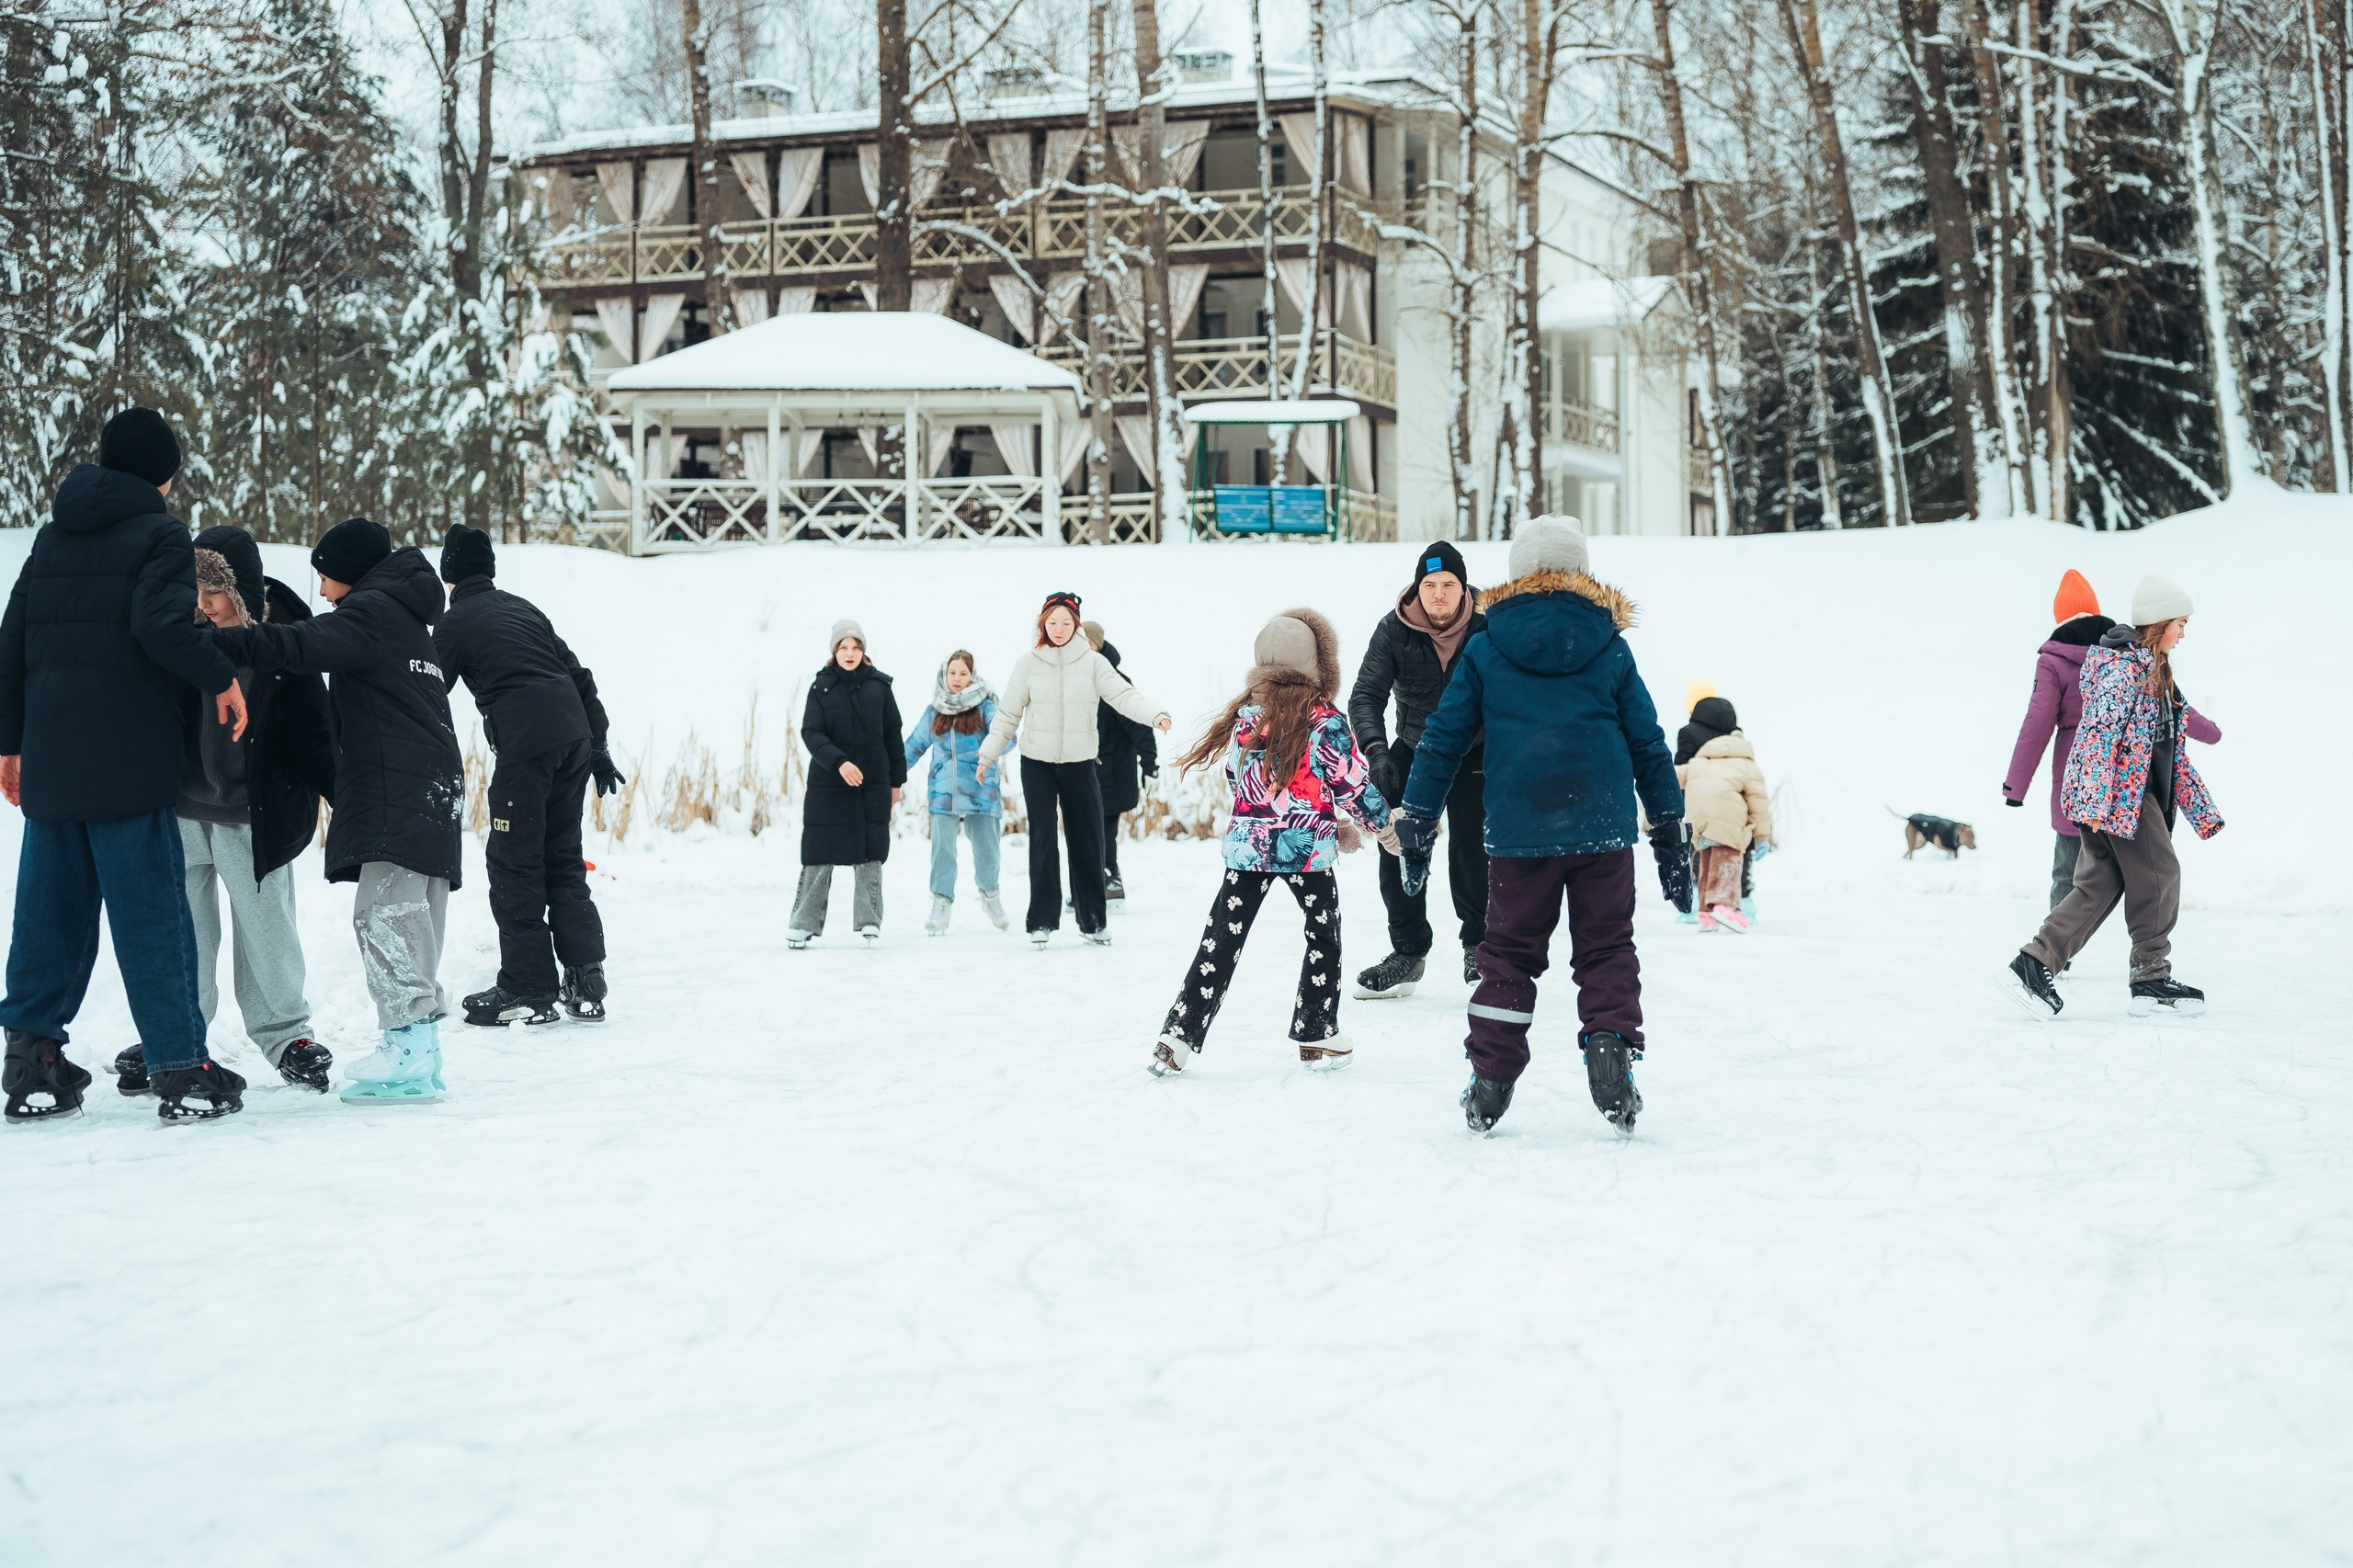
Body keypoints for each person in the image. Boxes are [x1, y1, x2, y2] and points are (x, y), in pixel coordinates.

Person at [1388, 517, 1689, 1137]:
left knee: (1509, 955)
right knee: (1606, 947)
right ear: (1581, 571)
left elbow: (1442, 738)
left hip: (1519, 829)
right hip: (1602, 825)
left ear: (1518, 572)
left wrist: (1418, 815)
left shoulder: (1487, 642)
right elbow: (1649, 745)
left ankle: (1492, 1079)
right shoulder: (1609, 643)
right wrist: (1667, 829)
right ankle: (1608, 1044)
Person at [0, 407, 253, 1123]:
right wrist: (220, 677)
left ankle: (32, 1058)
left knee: (50, 914)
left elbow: (12, 642)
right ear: (165, 475)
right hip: (128, 758)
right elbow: (160, 626)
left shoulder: (53, 537)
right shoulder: (161, 535)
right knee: (152, 914)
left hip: (54, 759)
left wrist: (10, 742)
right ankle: (180, 1065)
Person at [210, 517, 465, 1104]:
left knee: (383, 913)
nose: (321, 591)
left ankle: (405, 1044)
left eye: (324, 577)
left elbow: (300, 644)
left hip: (395, 784)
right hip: (430, 783)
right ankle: (419, 1045)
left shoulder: (371, 614)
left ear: (349, 572)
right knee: (417, 912)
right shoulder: (406, 614)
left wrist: (220, 642)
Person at [114, 527, 338, 1098]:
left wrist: (342, 791)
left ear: (242, 592)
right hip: (183, 811)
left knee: (268, 932)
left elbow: (313, 727)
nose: (205, 604)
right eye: (198, 592)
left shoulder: (284, 643)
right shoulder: (182, 637)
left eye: (216, 592)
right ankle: (175, 1036)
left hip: (253, 816)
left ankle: (287, 1035)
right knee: (183, 932)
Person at [1150, 610, 1395, 1076]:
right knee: (1324, 934)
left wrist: (1271, 821)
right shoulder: (1324, 721)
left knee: (1222, 938)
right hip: (1305, 853)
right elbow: (1351, 783)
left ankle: (1177, 1036)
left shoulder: (1245, 720)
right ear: (1319, 665)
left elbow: (1235, 779)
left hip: (1249, 850)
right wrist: (1382, 826)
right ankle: (1316, 1029)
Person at [2007, 574, 2222, 1019]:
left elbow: (2173, 742)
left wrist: (2201, 807)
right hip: (2120, 796)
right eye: (2180, 623)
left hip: (2113, 795)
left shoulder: (2150, 669)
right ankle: (2151, 976)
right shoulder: (2123, 669)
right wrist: (2100, 802)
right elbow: (2098, 733)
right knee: (2161, 874)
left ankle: (2036, 960)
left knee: (2100, 884)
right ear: (2159, 623)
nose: (2184, 634)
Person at [433, 524, 623, 1026]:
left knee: (514, 862)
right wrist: (598, 746)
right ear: (490, 569)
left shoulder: (455, 622)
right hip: (573, 738)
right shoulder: (523, 608)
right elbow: (579, 676)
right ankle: (586, 978)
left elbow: (428, 692)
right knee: (561, 858)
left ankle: (528, 988)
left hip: (527, 746)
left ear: (447, 573)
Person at [977, 592, 1171, 948]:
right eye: (1053, 622)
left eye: (1067, 622)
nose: (1060, 628)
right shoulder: (1028, 663)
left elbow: (1125, 696)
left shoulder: (1093, 663)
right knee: (1044, 839)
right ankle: (1042, 920)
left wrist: (1156, 714)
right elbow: (1008, 714)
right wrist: (988, 754)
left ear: (1077, 625)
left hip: (1081, 764)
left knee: (1088, 840)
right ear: (1043, 624)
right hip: (1037, 764)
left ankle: (1093, 920)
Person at [2001, 569, 2195, 915]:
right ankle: (2145, 945)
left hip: (2075, 775)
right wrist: (2210, 731)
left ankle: (2058, 951)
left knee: (2068, 868)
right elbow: (2170, 706)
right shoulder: (2123, 650)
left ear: (2060, 616)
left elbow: (2036, 725)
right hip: (2127, 777)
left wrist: (2014, 789)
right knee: (2134, 865)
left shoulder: (2053, 660)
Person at [1347, 540, 1489, 998]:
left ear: (1463, 588)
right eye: (1430, 586)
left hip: (1475, 753)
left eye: (1449, 585)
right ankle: (1408, 954)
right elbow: (1366, 695)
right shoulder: (1394, 629)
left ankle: (1480, 949)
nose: (1440, 595)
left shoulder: (1489, 626)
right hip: (1414, 750)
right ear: (1417, 588)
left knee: (1473, 851)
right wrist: (1376, 751)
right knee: (1401, 847)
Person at [791, 621, 905, 948]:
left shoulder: (880, 687)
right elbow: (811, 732)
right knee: (818, 852)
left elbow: (892, 735)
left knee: (870, 851)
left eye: (856, 647)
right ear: (834, 651)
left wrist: (896, 782)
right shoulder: (821, 687)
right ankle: (802, 924)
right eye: (843, 647)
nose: (850, 653)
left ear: (863, 651)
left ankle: (870, 921)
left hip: (873, 783)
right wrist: (838, 762)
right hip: (829, 784)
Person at [904, 650, 1006, 936]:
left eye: (963, 673)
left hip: (981, 791)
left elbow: (1005, 738)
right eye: (953, 673)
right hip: (943, 793)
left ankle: (990, 897)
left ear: (972, 676)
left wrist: (990, 753)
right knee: (943, 851)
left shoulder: (985, 707)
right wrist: (890, 775)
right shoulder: (935, 709)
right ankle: (941, 903)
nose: (957, 679)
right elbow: (913, 747)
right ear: (944, 675)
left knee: (988, 852)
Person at [1675, 697, 1772, 934]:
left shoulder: (1700, 762)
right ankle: (1726, 906)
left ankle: (1706, 914)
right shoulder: (1747, 765)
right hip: (1727, 822)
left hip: (1700, 823)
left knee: (1706, 863)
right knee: (1728, 860)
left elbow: (1675, 775)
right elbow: (1758, 803)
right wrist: (1762, 836)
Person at [1083, 620, 1157, 905]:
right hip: (1085, 770)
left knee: (1102, 829)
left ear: (1099, 645)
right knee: (1087, 830)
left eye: (1088, 643)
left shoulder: (1115, 681)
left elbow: (1140, 723)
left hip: (1112, 772)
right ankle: (1089, 884)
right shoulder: (1076, 679)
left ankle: (1110, 880)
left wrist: (1150, 764)